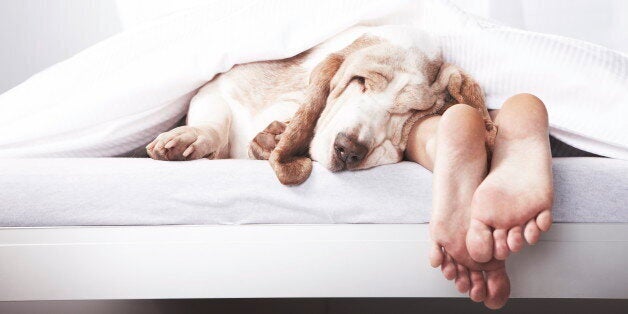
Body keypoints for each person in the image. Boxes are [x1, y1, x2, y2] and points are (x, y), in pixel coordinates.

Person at [405, 93, 554, 309]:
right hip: (489, 94)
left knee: (412, 129)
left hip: (436, 100)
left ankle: (437, 141)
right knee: (486, 117)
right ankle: (511, 135)